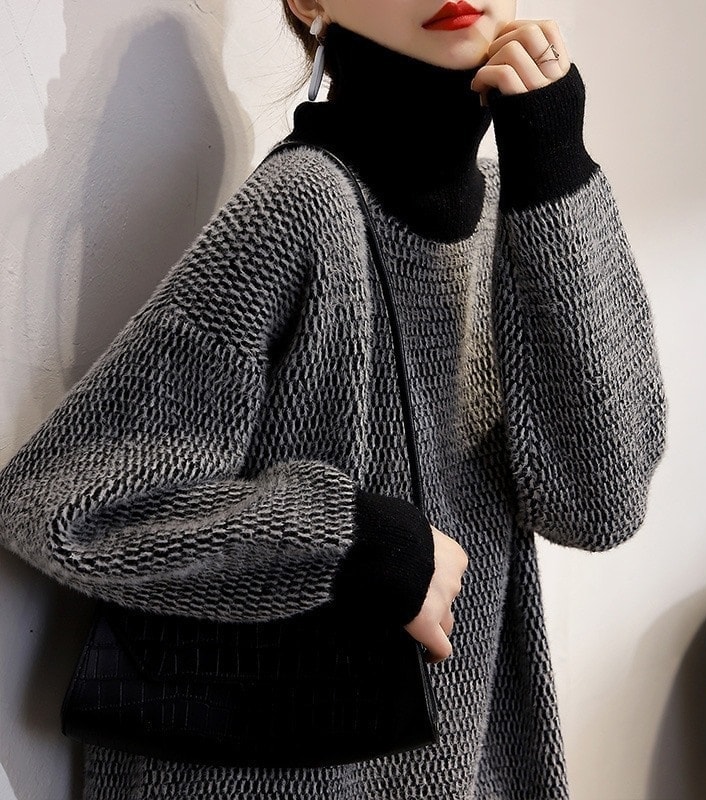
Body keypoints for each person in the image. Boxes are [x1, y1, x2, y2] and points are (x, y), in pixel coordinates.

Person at [0, 0, 666, 797]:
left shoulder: (515, 218)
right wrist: (359, 542)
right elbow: (62, 505)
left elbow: (600, 503)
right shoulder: (302, 205)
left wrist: (554, 162)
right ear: (309, 2)